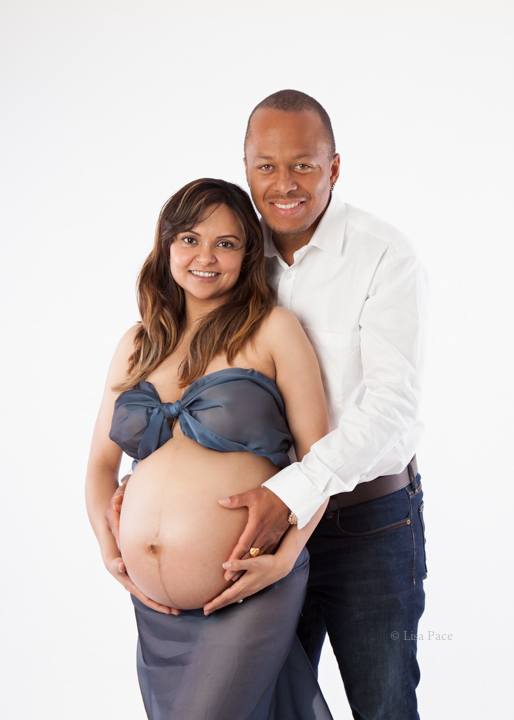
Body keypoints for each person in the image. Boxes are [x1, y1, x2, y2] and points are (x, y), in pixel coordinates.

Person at [206, 91, 428, 719]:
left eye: (303, 165)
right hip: (257, 527)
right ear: (245, 168)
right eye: (266, 166)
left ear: (333, 168)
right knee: (268, 707)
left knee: (383, 706)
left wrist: (294, 492)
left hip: (369, 523)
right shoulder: (230, 254)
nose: (284, 184)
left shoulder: (384, 254)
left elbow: (392, 408)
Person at [85, 178, 334, 720]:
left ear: (248, 255)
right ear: (166, 245)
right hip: (156, 611)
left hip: (250, 584)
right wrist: (111, 552)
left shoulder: (274, 329)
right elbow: (102, 466)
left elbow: (321, 463)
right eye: (190, 239)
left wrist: (285, 556)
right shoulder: (136, 343)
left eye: (226, 243)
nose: (206, 257)